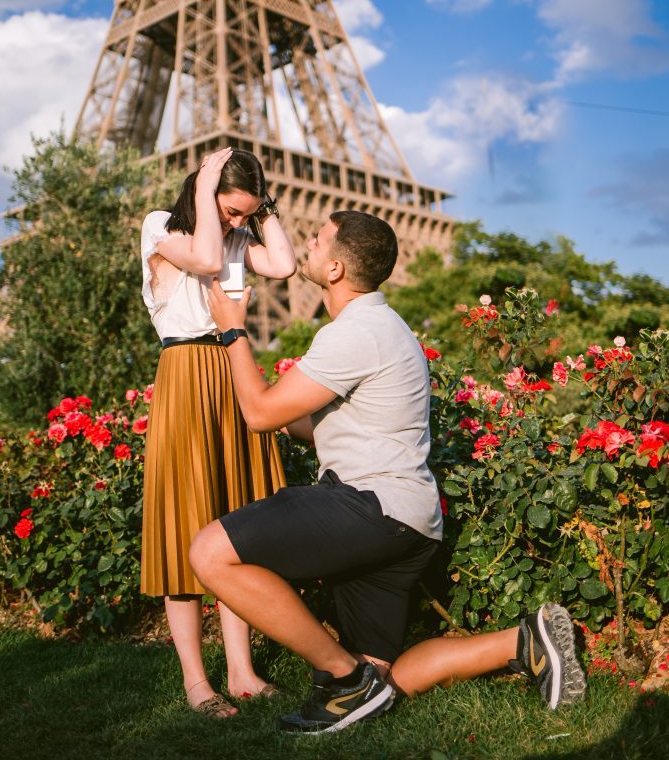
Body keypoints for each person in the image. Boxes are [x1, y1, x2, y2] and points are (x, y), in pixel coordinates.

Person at [190, 208, 586, 733]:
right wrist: (283, 413)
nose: (307, 244)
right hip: (410, 520)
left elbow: (260, 414)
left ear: (334, 269)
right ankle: (520, 642)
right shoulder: (383, 326)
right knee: (383, 675)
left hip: (367, 505)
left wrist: (234, 331)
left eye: (316, 239)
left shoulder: (354, 333)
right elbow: (311, 423)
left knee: (210, 552)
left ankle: (341, 679)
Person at [140, 147, 296, 717]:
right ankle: (196, 683)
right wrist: (209, 192)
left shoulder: (235, 237)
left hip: (232, 372)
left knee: (237, 526)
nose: (236, 224)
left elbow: (281, 266)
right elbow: (204, 256)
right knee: (186, 524)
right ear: (204, 192)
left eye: (242, 216)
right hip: (185, 375)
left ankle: (242, 672)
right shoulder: (161, 227)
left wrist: (263, 209)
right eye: (232, 211)